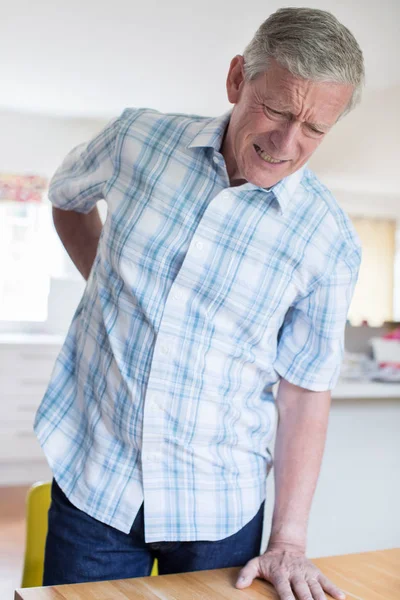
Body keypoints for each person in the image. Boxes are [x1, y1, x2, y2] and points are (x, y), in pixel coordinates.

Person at [35, 7, 364, 600]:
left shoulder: (328, 240)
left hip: (220, 507)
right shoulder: (136, 139)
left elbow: (305, 390)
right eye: (278, 109)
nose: (287, 143)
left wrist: (288, 540)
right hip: (97, 482)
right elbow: (67, 197)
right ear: (239, 79)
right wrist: (102, 280)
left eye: (315, 128)